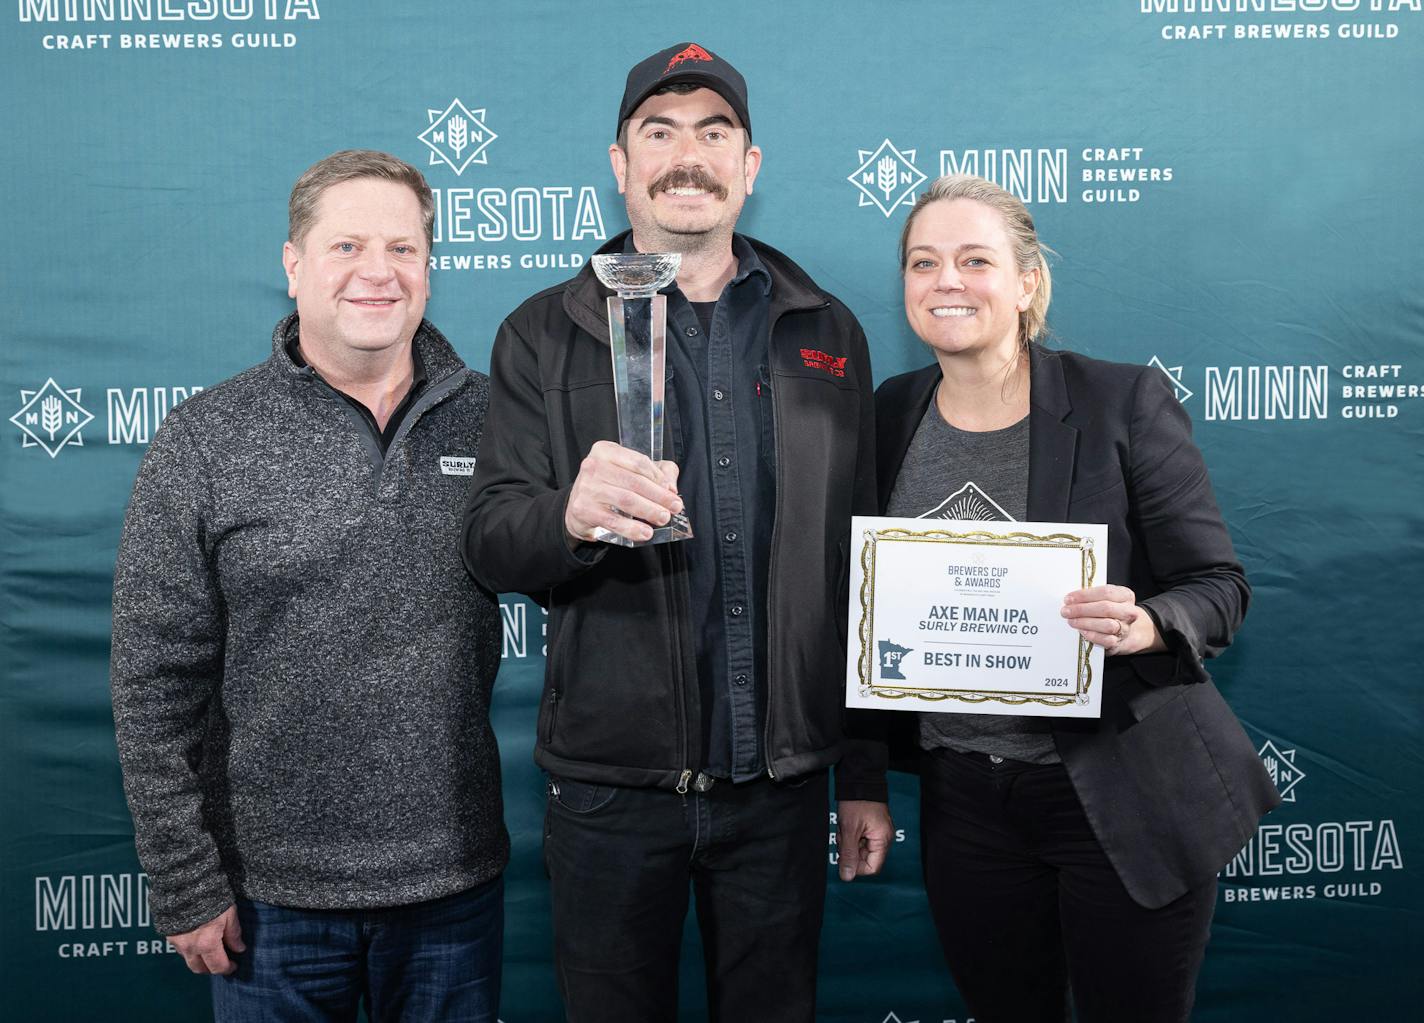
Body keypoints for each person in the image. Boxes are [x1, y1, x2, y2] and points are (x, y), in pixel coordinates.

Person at [462, 42, 878, 1023]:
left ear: (749, 166)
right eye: (658, 133)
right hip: (610, 795)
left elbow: (855, 566)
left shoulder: (823, 331)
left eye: (712, 132)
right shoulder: (543, 330)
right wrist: (565, 518)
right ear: (618, 164)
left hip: (779, 791)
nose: (685, 155)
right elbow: (488, 538)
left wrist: (859, 772)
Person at [834, 174, 1280, 1022]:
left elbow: (1220, 586)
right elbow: (860, 605)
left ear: (1028, 279)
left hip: (1121, 789)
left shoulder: (1120, 402)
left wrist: (1149, 624)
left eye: (975, 259)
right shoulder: (889, 413)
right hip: (966, 803)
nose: (947, 282)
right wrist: (861, 777)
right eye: (923, 262)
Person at [110, 149, 507, 1022]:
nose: (378, 272)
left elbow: (570, 570)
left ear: (430, 270)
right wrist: (184, 878)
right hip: (268, 899)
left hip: (454, 882)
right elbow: (152, 682)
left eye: (403, 249)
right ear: (293, 266)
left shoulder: (499, 420)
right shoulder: (205, 438)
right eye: (347, 246)